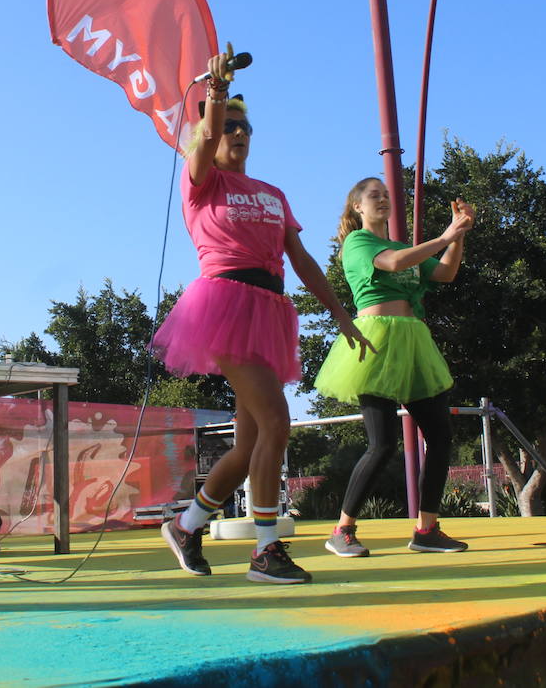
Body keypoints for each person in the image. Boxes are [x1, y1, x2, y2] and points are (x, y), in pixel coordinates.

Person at [155, 51, 373, 585]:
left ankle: (187, 525)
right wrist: (215, 90)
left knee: (252, 442)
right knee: (278, 423)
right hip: (224, 306)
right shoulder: (201, 182)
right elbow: (202, 142)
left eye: (245, 126)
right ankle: (266, 550)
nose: (239, 132)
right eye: (229, 125)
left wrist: (343, 317)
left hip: (270, 311)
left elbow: (301, 261)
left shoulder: (273, 193)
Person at [313, 178, 474, 557]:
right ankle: (343, 529)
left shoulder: (406, 247)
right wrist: (445, 234)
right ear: (357, 207)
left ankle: (427, 529)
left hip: (413, 342)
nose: (384, 199)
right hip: (376, 342)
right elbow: (393, 263)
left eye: (387, 194)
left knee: (441, 437)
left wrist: (459, 234)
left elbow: (446, 273)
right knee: (382, 444)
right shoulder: (358, 243)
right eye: (374, 195)